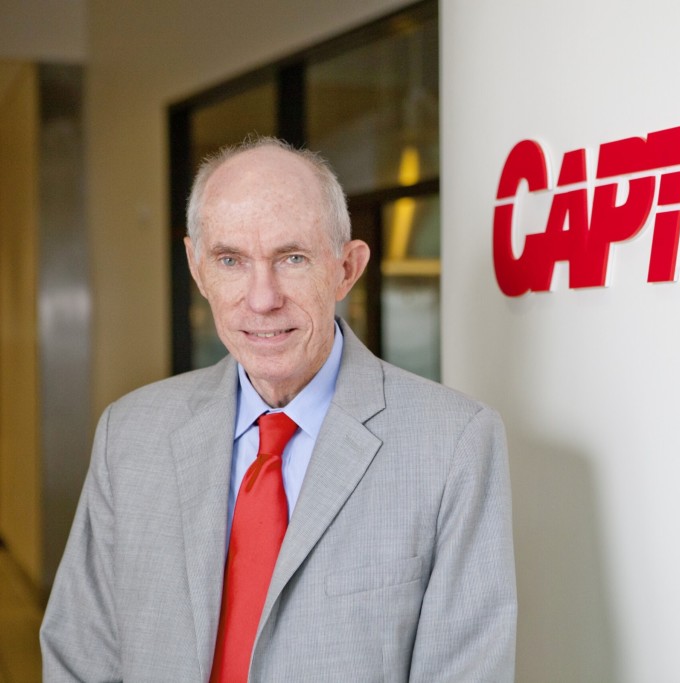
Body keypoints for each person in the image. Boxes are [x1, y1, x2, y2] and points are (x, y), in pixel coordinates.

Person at [40, 137, 517, 681]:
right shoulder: (128, 435)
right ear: (197, 268)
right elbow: (79, 657)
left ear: (346, 268)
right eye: (230, 260)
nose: (262, 298)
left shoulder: (454, 444)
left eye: (292, 258)